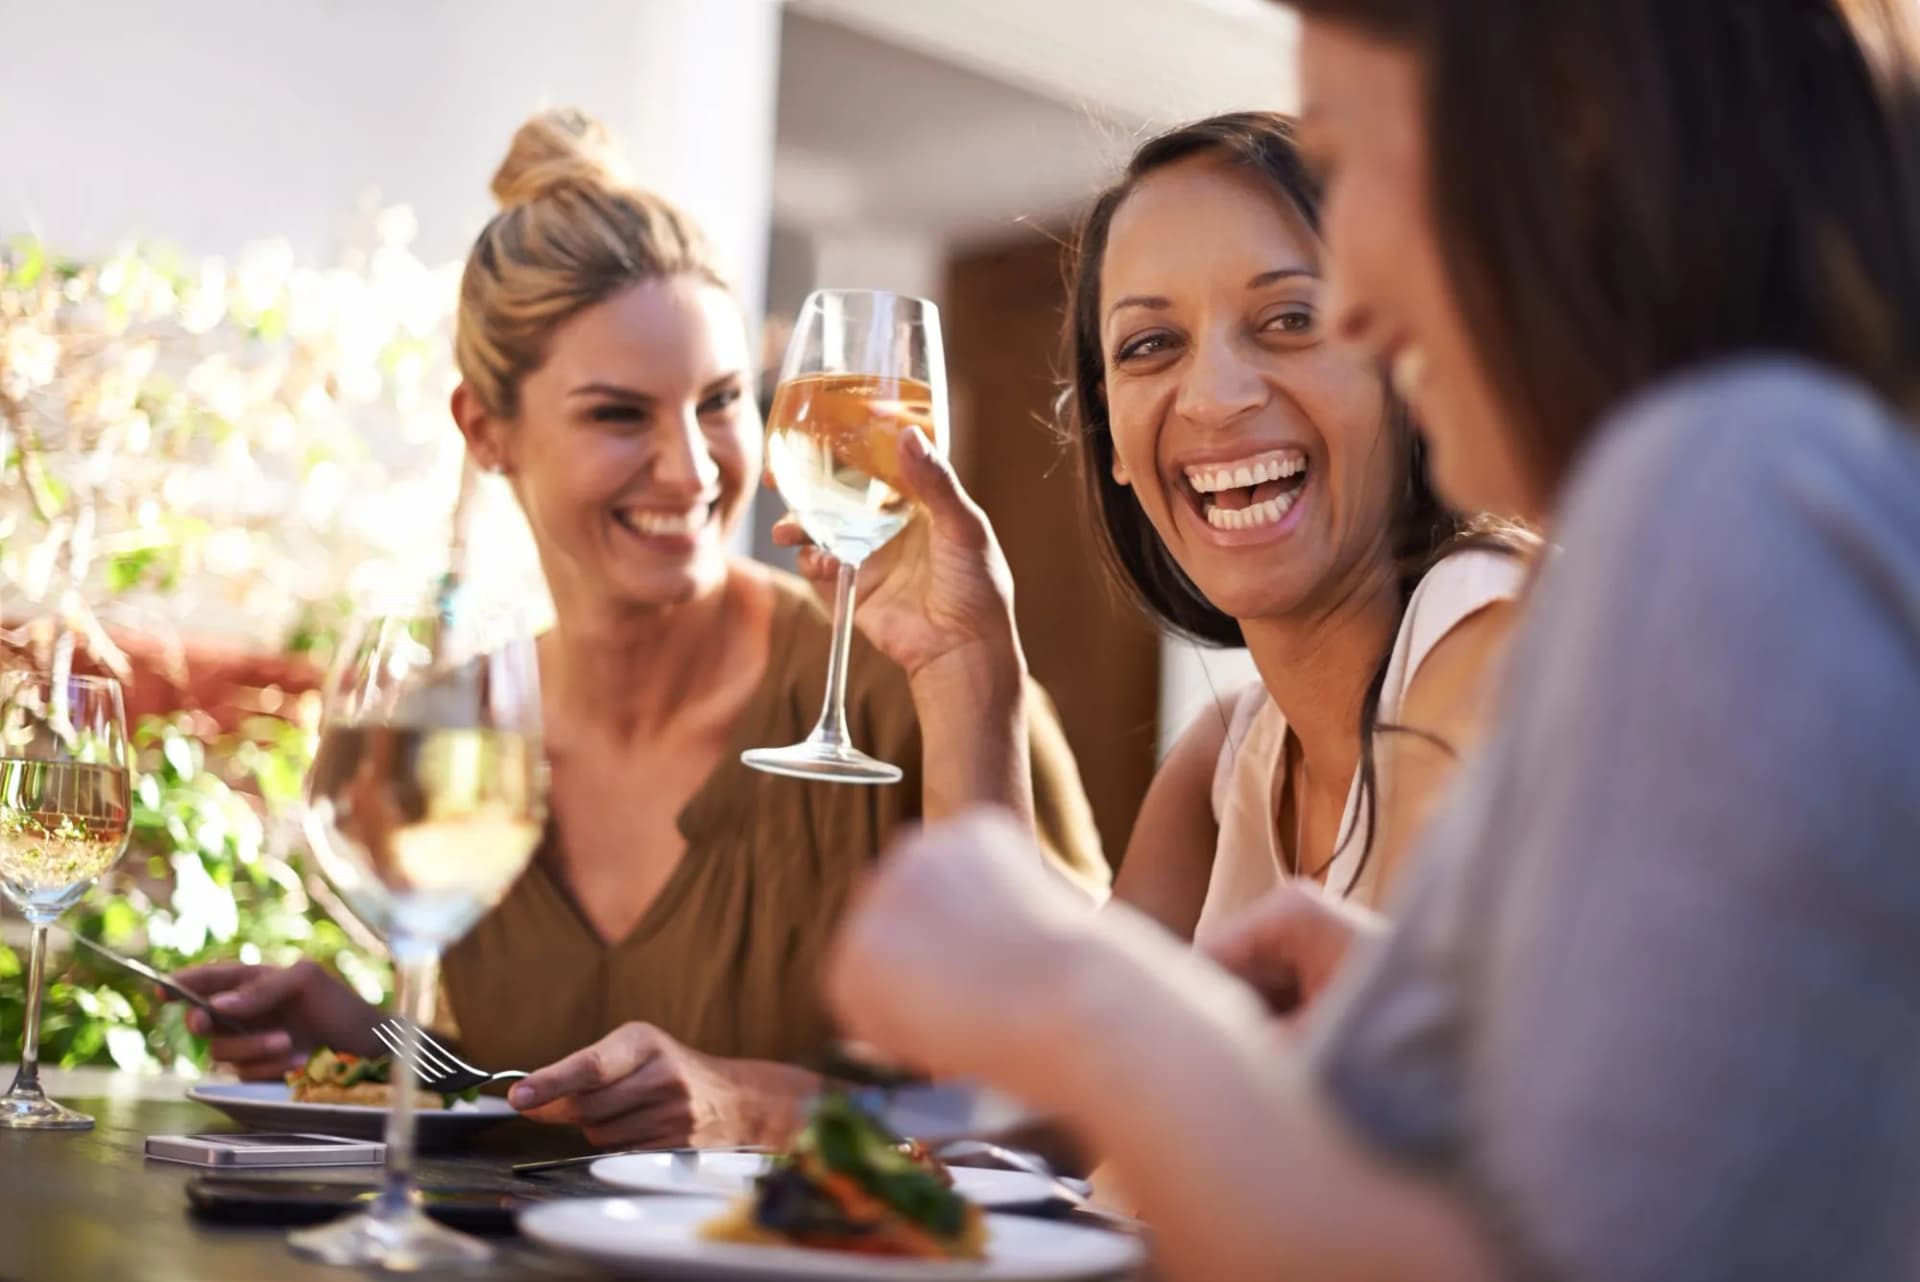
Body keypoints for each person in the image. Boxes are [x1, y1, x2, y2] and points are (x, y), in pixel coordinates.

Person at [825, 2, 1920, 1280]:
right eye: (1149, 347)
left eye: (1349, 171)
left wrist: (1089, 995)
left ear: (1564, 152)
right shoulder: (1755, 486)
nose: (1354, 298)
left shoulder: (1724, 479)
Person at [178, 108, 1107, 1150]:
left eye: (720, 402)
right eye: (620, 415)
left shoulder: (917, 693)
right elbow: (546, 1103)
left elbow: (1068, 1113)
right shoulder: (457, 729)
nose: (695, 469)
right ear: (487, 432)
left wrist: (750, 1108)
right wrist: (370, 1041)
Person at [783, 114, 1529, 938]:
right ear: (1114, 442)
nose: (1213, 397)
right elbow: (1045, 1041)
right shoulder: (1232, 751)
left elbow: (1414, 1060)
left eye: (1289, 319)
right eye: (1151, 344)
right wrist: (965, 659)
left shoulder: (1488, 633)